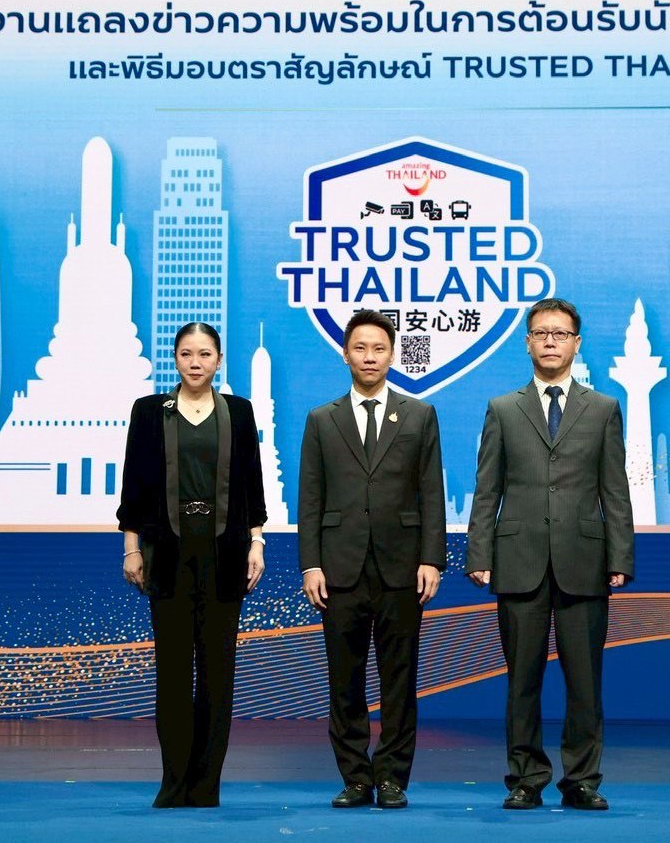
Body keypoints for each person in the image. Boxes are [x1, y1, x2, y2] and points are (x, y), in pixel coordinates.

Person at [466, 298, 633, 811]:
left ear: (576, 343)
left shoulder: (602, 408)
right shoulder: (503, 408)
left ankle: (582, 780)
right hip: (519, 561)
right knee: (522, 681)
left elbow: (615, 489)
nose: (550, 342)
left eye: (560, 334)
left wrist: (620, 557)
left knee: (585, 682)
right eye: (541, 334)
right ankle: (525, 778)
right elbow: (487, 488)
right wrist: (479, 552)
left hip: (584, 561)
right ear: (528, 343)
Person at [298, 310, 446, 809]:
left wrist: (432, 559)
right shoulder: (322, 419)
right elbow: (310, 497)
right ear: (345, 354)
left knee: (399, 679)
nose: (369, 357)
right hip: (339, 568)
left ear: (392, 354)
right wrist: (311, 564)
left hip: (403, 568)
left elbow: (431, 492)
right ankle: (356, 778)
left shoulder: (419, 415)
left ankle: (392, 777)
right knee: (345, 680)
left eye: (379, 348)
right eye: (360, 348)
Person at [117, 322, 267, 808]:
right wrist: (132, 548)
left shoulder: (238, 412)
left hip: (226, 553)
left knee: (218, 672)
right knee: (173, 671)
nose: (196, 362)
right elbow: (134, 486)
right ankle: (174, 781)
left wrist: (257, 542)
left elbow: (252, 485)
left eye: (205, 354)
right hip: (167, 554)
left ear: (219, 360)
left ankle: (206, 785)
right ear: (175, 359)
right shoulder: (149, 411)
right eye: (186, 353)